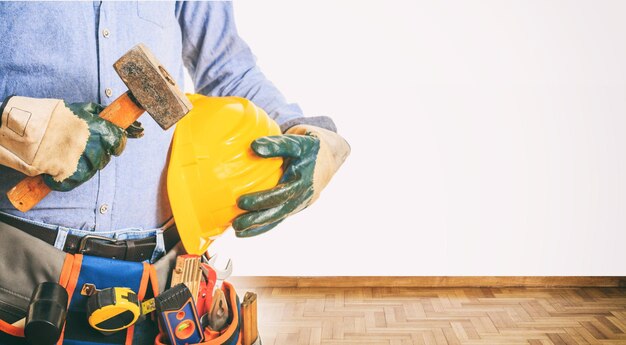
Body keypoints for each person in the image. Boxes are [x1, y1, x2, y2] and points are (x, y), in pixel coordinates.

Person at [0, 2, 349, 344]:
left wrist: (303, 130)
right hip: (21, 281)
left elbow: (229, 69)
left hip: (165, 283)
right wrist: (26, 129)